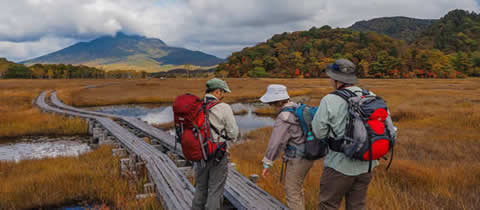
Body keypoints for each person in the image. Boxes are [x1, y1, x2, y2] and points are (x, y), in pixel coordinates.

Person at [312, 59, 380, 210]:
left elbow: (318, 131)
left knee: (328, 205)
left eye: (331, 77)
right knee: (357, 206)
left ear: (336, 80)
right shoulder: (371, 95)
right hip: (366, 164)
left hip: (339, 165)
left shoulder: (330, 99)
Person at [260, 84, 315, 210]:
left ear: (277, 101)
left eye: (271, 103)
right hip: (308, 155)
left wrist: (267, 163)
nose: (270, 106)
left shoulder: (284, 117)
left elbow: (276, 143)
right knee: (297, 188)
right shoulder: (298, 108)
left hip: (298, 158)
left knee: (292, 192)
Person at [192, 78, 239, 210]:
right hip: (217, 153)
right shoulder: (223, 107)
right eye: (223, 92)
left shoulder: (196, 106)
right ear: (217, 91)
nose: (224, 95)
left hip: (199, 152)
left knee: (200, 187)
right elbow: (233, 133)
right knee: (215, 189)